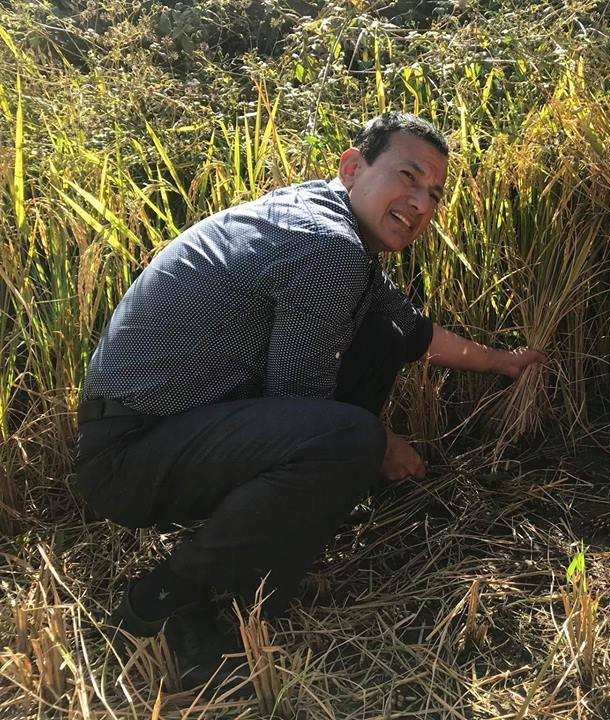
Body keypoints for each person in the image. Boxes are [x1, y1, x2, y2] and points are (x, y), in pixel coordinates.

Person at [75, 111, 544, 685]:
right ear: (353, 167)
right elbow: (299, 397)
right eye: (407, 176)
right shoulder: (329, 246)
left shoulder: (328, 221)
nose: (421, 203)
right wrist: (377, 446)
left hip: (168, 432)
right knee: (346, 438)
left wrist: (503, 362)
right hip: (129, 453)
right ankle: (167, 597)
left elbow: (408, 330)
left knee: (379, 340)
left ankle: (262, 561)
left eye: (433, 193)